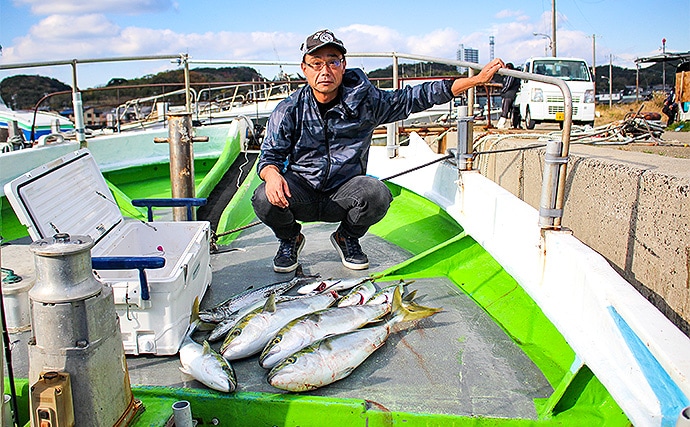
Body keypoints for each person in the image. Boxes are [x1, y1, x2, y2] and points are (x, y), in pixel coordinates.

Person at [251, 29, 504, 273]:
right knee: (263, 197)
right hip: (302, 191)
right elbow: (270, 155)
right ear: (304, 68)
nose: (325, 71)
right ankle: (290, 239)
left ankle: (346, 236)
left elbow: (414, 97)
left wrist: (474, 80)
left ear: (344, 64)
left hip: (343, 192)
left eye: (333, 62)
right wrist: (271, 174)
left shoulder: (366, 102)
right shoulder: (289, 109)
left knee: (377, 194)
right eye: (316, 63)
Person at [496, 63, 520, 129]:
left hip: (509, 94)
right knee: (512, 109)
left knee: (505, 109)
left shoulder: (510, 75)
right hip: (512, 93)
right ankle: (513, 124)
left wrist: (502, 91)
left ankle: (501, 124)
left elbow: (508, 85)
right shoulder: (515, 74)